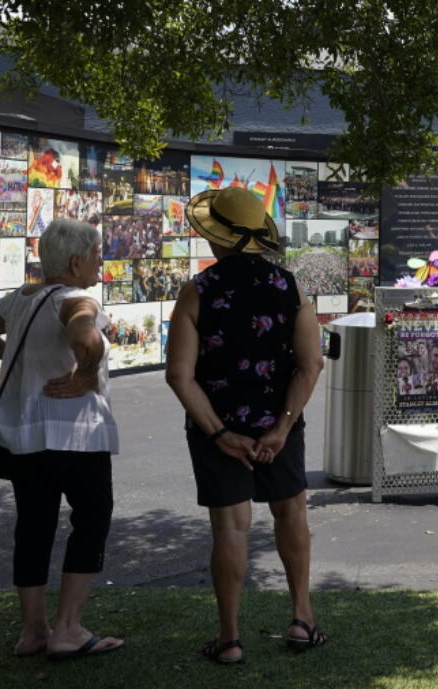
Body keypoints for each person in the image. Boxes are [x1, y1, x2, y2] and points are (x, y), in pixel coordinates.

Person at [165, 187, 327, 665]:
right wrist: (281, 427)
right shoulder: (289, 287)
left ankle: (230, 639)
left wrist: (218, 432)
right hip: (278, 425)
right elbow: (311, 364)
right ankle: (302, 619)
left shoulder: (198, 290)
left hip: (218, 428)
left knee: (231, 529)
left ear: (216, 238)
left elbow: (179, 374)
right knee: (291, 513)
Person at [0, 218, 121, 660]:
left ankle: (33, 631)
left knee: (33, 526)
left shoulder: (20, 299)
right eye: (95, 254)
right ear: (76, 262)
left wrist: (20, 354)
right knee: (92, 518)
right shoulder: (76, 299)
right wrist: (85, 372)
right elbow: (84, 333)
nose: (99, 261)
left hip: (24, 436)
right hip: (76, 434)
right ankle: (68, 628)